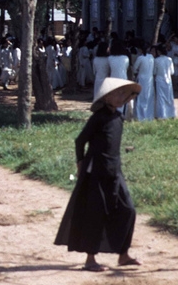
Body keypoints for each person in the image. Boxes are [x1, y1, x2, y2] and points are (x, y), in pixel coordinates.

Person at [54, 77, 142, 271]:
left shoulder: (118, 118)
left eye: (122, 94)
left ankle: (123, 254)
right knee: (95, 213)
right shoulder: (98, 118)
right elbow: (80, 141)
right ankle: (90, 259)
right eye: (116, 94)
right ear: (106, 97)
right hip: (96, 170)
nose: (120, 98)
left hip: (114, 169)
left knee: (128, 209)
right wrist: (80, 163)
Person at [131, 45, 155, 121]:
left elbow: (135, 69)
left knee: (141, 97)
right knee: (148, 97)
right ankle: (149, 115)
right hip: (150, 79)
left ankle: (140, 116)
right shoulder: (151, 57)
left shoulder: (140, 58)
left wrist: (136, 72)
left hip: (141, 79)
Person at [153, 43, 176, 119]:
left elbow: (154, 72)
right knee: (169, 97)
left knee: (161, 98)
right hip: (168, 80)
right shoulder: (169, 59)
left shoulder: (156, 60)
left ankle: (162, 114)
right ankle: (171, 113)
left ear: (158, 51)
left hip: (159, 80)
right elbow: (172, 72)